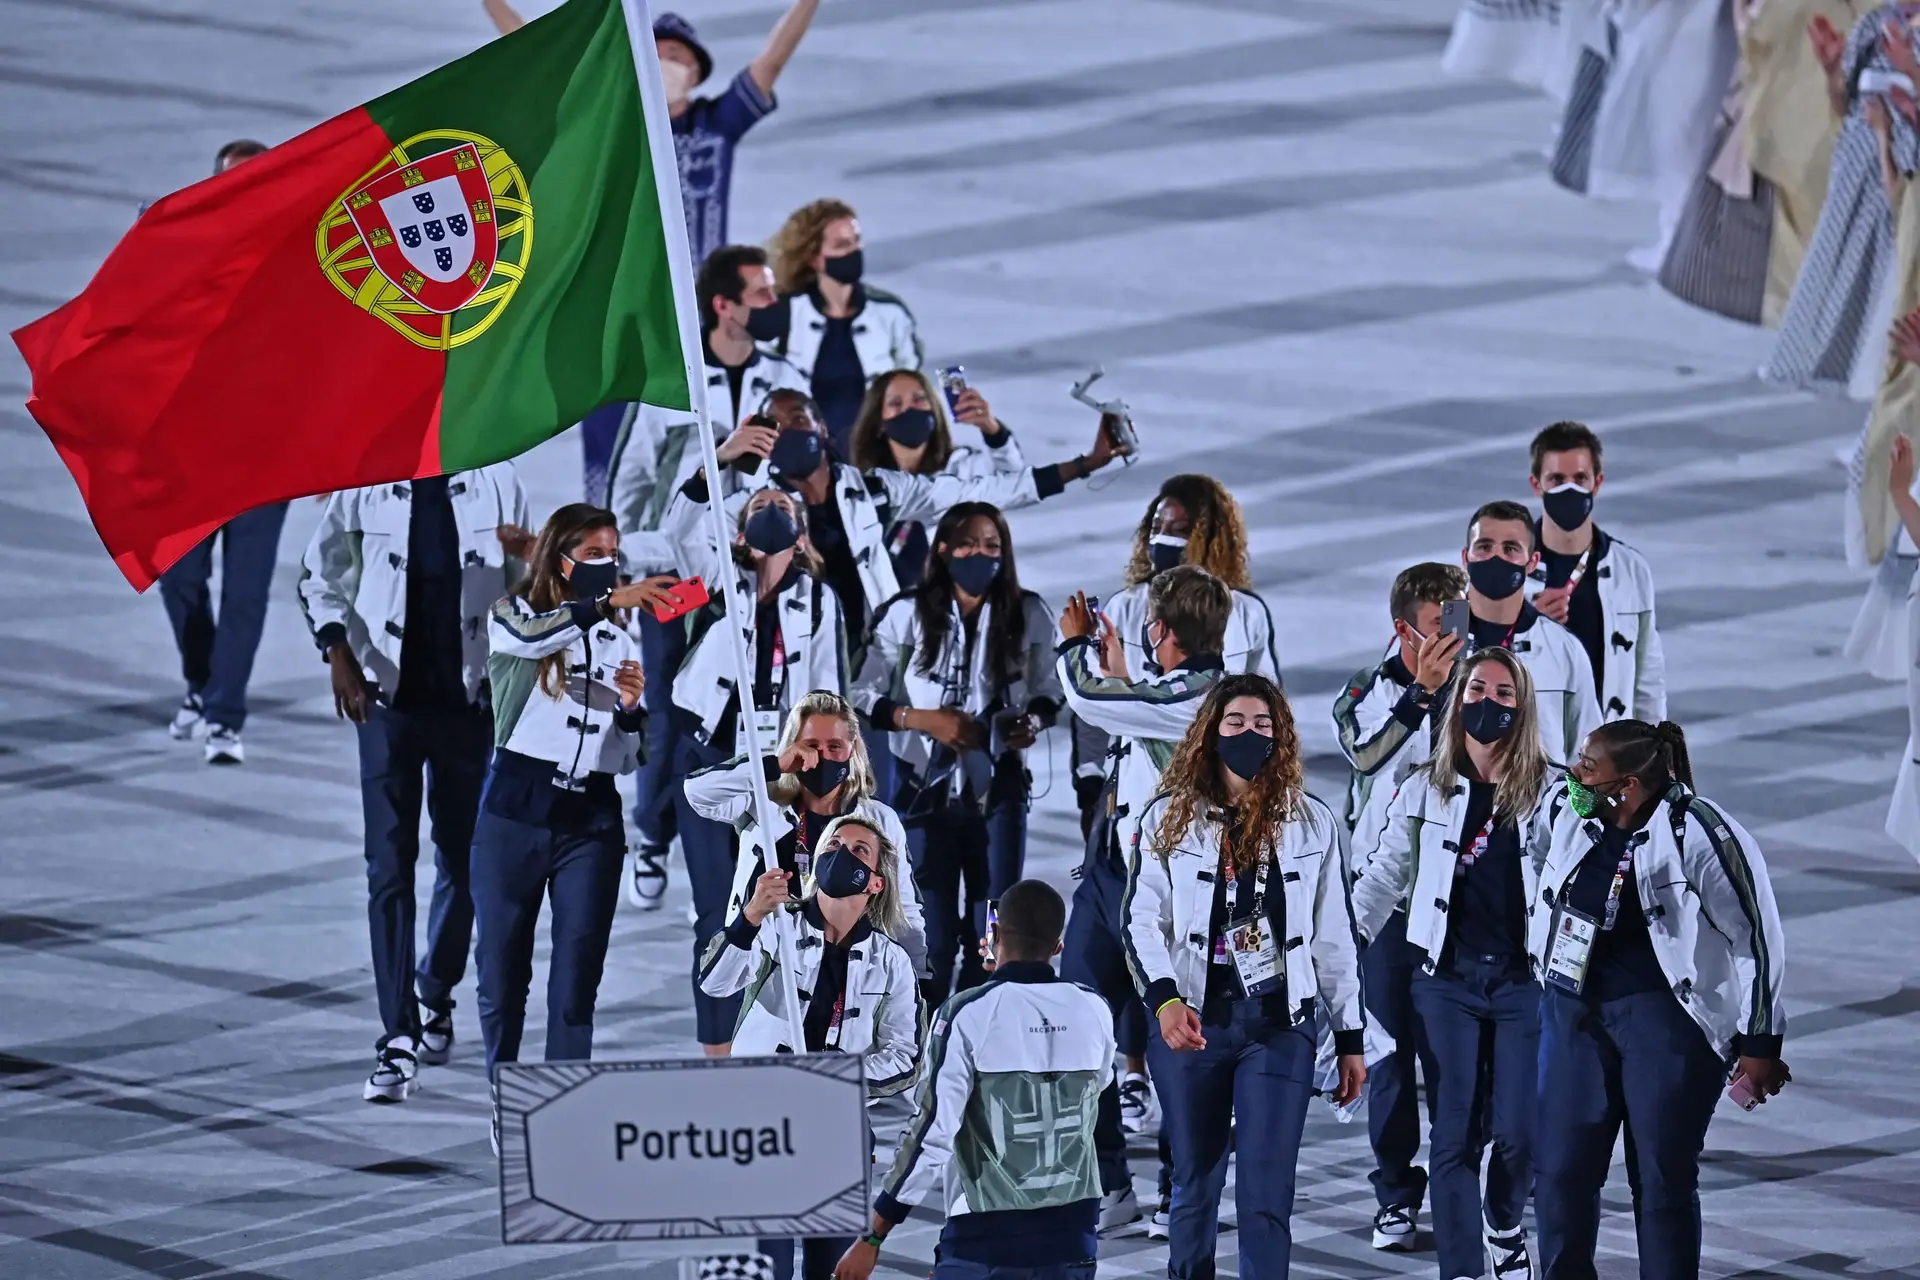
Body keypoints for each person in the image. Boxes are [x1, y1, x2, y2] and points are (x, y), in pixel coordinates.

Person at [295, 463, 532, 1103]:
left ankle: (435, 989)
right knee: (389, 868)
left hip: (467, 707)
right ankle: (396, 1037)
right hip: (386, 703)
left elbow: (526, 593)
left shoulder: (498, 479)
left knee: (463, 858)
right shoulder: (364, 477)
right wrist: (336, 651)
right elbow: (319, 577)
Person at [1122, 674, 1367, 1280]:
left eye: (1263, 725)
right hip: (1193, 1023)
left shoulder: (1313, 823)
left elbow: (1334, 934)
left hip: (1280, 1025)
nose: (1249, 734)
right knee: (1194, 1181)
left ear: (1281, 736)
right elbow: (1140, 921)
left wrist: (1352, 1036)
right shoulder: (1166, 819)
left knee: (1267, 1189)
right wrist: (1164, 1000)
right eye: (1235, 722)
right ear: (1210, 732)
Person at [1531, 721, 1790, 1280]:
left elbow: (1758, 935)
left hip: (1665, 1025)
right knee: (1560, 1172)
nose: (1575, 775)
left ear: (1625, 786)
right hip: (1573, 1014)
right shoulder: (1569, 814)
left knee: (1661, 1179)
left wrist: (1760, 1039)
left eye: (1588, 768)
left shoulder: (1701, 834)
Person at [607, 243, 807, 911]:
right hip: (678, 576)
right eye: (761, 296)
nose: (774, 307)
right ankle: (653, 833)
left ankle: (716, 854)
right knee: (668, 715)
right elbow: (631, 482)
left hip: (751, 575)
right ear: (723, 305)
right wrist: (630, 566)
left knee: (743, 709)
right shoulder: (671, 382)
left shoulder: (783, 375)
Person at [469, 504, 675, 1136]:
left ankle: (562, 1108)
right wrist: (609, 600)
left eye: (612, 552)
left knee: (578, 972)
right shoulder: (513, 613)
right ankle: (506, 1089)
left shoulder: (620, 634)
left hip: (591, 817)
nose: (606, 564)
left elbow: (630, 755)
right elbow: (534, 641)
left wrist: (634, 712)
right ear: (559, 555)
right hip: (516, 810)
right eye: (591, 553)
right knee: (504, 966)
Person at [1351, 648, 1554, 1280]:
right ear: (1456, 700)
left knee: (1519, 1135)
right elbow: (1385, 874)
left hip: (1524, 984)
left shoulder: (1552, 790)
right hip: (1447, 981)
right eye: (1476, 690)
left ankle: (1503, 1222)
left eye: (1502, 693)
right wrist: (1337, 941)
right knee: (1454, 1135)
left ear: (1521, 708)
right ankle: (1462, 1269)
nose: (1487, 703)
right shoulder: (1424, 786)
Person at [1054, 567, 1233, 1236]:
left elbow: (1086, 696)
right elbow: (1129, 706)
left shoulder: (1205, 696)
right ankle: (1110, 1183)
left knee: (1175, 1041)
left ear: (1164, 630)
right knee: (1079, 1028)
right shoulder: (1168, 690)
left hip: (1167, 894)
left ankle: (1177, 1188)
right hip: (1108, 877)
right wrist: (1125, 673)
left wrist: (1075, 648)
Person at [835, 879, 1111, 1280]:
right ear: (1057, 947)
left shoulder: (966, 1014)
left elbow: (931, 1135)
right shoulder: (1094, 1008)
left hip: (985, 1240)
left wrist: (873, 1236)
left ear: (994, 934)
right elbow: (1096, 1089)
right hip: (1074, 1235)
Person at [853, 502, 1061, 1001]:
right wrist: (921, 719)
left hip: (998, 796)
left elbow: (1051, 689)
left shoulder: (1028, 611)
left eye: (992, 546)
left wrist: (1029, 722)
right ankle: (924, 1041)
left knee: (992, 926)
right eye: (967, 543)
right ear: (943, 549)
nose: (980, 555)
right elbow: (861, 693)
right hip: (923, 793)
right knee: (932, 929)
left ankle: (974, 1022)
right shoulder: (905, 612)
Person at [703, 814, 921, 1280]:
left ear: (877, 882)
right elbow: (715, 983)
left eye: (859, 850)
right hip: (762, 1119)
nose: (841, 853)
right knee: (770, 1264)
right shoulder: (776, 926)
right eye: (833, 843)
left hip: (836, 1126)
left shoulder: (892, 962)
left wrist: (837, 1077)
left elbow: (905, 1058)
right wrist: (751, 916)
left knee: (829, 1267)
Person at [1330, 561, 1465, 1252]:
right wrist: (1422, 695)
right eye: (1441, 630)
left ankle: (1457, 1187)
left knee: (1454, 1058)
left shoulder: (1483, 689)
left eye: (1460, 628)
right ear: (1403, 630)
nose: (1454, 643)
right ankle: (1393, 1194)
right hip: (1382, 909)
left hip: (1456, 903)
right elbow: (1363, 753)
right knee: (1387, 1056)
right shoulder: (1365, 690)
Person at [483, 2, 818, 267]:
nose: (663, 63)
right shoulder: (615, 124)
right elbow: (543, 58)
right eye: (654, 55)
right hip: (631, 291)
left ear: (695, 73)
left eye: (675, 56)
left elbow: (771, 63)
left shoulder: (716, 123)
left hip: (702, 301)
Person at [685, 691, 929, 1053]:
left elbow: (905, 909)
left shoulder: (877, 820)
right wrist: (773, 765)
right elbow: (697, 792)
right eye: (811, 744)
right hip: (764, 962)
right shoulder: (762, 803)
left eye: (835, 746)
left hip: (847, 969)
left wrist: (918, 976)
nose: (823, 756)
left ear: (853, 747)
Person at [155, 141, 281, 765]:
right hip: (192, 459)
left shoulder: (299, 265)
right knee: (180, 579)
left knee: (247, 594)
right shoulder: (184, 260)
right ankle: (202, 685)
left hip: (267, 461)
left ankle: (225, 713)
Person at [1764, 7, 1920, 396]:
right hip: (1854, 168)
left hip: (1902, 176)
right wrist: (1832, 69)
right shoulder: (1875, 25)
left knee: (1889, 286)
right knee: (1832, 268)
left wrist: (1912, 72)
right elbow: (1844, 106)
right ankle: (1815, 363)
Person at [1525, 422, 1666, 723]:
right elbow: (1466, 670)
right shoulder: (1500, 570)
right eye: (1556, 479)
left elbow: (1648, 679)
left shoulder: (1631, 569)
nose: (1569, 489)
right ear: (1537, 485)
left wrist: (1656, 755)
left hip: (1607, 752)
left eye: (1580, 478)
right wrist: (1528, 624)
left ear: (1597, 483)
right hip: (1532, 753)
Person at [847, 370, 1027, 590]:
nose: (909, 409)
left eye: (919, 399)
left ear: (934, 408)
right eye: (896, 403)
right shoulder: (866, 483)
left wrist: (992, 429)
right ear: (879, 422)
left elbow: (1016, 483)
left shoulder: (963, 467)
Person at [765, 199, 924, 450]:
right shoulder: (786, 313)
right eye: (842, 245)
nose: (854, 251)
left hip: (875, 456)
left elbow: (913, 383)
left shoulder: (890, 313)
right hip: (803, 457)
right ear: (814, 258)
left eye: (856, 241)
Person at [1460, 500, 1601, 766]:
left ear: (1532, 561)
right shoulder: (1434, 639)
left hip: (1536, 804)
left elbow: (1588, 752)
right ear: (1465, 557)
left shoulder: (1562, 648)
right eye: (1484, 546)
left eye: (1510, 549)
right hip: (1447, 802)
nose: (1496, 557)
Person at [1100, 474, 1279, 683]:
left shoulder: (1246, 612)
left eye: (1179, 530)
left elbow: (1267, 693)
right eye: (1156, 528)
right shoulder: (1124, 606)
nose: (1162, 539)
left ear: (1210, 540)